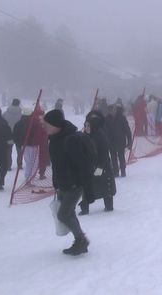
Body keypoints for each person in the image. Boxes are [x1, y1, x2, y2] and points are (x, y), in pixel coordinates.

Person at [41, 109, 92, 255]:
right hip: (62, 183)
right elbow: (57, 164)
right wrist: (56, 182)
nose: (44, 127)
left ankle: (81, 240)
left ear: (55, 124)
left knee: (63, 214)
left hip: (74, 184)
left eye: (47, 124)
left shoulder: (70, 139)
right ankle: (80, 241)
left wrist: (85, 186)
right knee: (69, 213)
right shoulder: (54, 139)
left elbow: (82, 164)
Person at [79, 111, 116, 214]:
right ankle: (85, 209)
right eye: (85, 125)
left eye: (88, 125)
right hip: (89, 166)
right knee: (87, 187)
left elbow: (104, 152)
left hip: (103, 166)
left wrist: (100, 167)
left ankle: (109, 206)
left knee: (106, 187)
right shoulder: (85, 136)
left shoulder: (101, 136)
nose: (86, 127)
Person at [105, 105, 133, 177]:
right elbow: (104, 131)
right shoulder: (106, 119)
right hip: (111, 142)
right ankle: (116, 172)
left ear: (115, 110)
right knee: (113, 157)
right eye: (110, 111)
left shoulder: (122, 118)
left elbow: (127, 130)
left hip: (121, 141)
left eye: (113, 110)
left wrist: (129, 141)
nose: (112, 112)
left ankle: (123, 171)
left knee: (121, 157)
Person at [3, 98, 22, 172]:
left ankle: (8, 165)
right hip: (19, 135)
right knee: (19, 151)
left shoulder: (5, 113)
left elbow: (2, 123)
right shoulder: (21, 114)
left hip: (8, 135)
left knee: (8, 151)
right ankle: (19, 165)